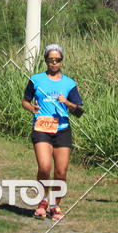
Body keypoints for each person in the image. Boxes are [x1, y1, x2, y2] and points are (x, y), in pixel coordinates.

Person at [22, 44, 84, 221]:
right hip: (41, 129)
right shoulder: (36, 79)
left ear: (61, 61)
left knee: (60, 173)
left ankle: (55, 205)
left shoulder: (69, 83)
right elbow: (25, 101)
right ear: (46, 61)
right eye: (51, 60)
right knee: (44, 167)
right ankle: (42, 202)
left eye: (57, 60)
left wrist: (67, 103)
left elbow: (79, 111)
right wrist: (31, 108)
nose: (54, 63)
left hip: (62, 131)